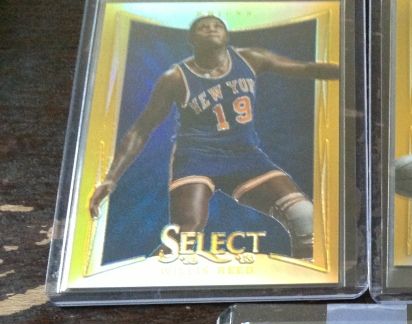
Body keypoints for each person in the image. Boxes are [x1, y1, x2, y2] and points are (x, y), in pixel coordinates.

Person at [88, 15, 339, 259]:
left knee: (304, 215)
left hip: (245, 155)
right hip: (196, 158)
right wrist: (110, 179)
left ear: (227, 35)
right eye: (203, 27)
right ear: (192, 39)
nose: (211, 28)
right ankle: (147, 279)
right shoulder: (175, 77)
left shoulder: (251, 58)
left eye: (217, 25)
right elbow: (140, 130)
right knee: (186, 233)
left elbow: (305, 68)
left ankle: (303, 279)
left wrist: (346, 70)